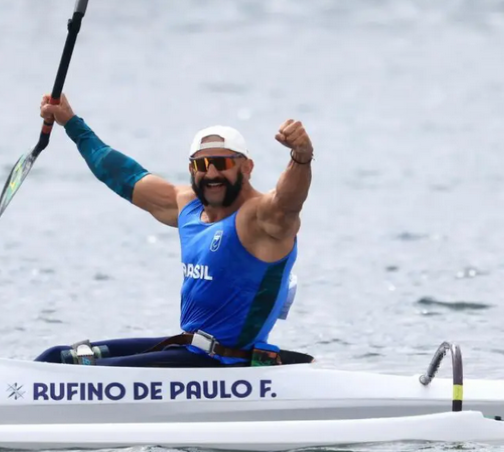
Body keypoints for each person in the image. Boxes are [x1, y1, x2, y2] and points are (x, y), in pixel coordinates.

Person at [34, 93, 314, 367]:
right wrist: (71, 123)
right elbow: (123, 175)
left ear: (247, 167)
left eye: (222, 163)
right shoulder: (188, 207)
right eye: (202, 165)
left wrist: (300, 157)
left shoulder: (260, 218)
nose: (212, 174)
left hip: (227, 365)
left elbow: (288, 202)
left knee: (89, 372)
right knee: (55, 357)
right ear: (192, 170)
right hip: (189, 349)